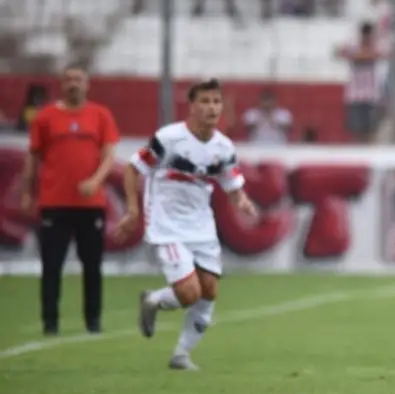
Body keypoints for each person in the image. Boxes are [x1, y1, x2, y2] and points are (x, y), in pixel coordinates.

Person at [115, 79, 259, 370]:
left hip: (201, 227)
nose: (212, 108)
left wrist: (241, 201)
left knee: (209, 291)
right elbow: (133, 169)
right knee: (189, 293)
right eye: (205, 101)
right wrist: (132, 209)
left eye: (216, 102)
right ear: (192, 106)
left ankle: (181, 354)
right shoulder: (168, 139)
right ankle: (155, 300)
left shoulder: (223, 147)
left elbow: (231, 184)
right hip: (167, 227)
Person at [20, 65, 119, 336]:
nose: (73, 84)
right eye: (68, 79)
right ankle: (50, 323)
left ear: (87, 84)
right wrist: (28, 191)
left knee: (92, 266)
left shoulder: (100, 115)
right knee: (51, 265)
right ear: (61, 85)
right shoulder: (46, 117)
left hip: (91, 205)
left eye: (79, 79)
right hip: (54, 203)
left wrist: (95, 181)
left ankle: (93, 321)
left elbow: (109, 155)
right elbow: (34, 157)